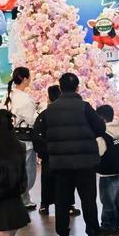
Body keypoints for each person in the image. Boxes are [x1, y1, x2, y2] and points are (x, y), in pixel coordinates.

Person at [33, 73, 109, 236]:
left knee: (62, 200)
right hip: (85, 162)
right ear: (77, 87)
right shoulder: (84, 107)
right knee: (88, 199)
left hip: (60, 163)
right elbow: (100, 127)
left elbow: (41, 134)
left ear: (60, 88)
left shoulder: (50, 110)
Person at [32, 86, 80, 217]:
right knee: (68, 180)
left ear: (48, 98)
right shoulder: (68, 113)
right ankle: (69, 206)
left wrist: (43, 151)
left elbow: (37, 135)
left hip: (49, 155)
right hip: (66, 154)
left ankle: (45, 206)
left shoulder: (44, 115)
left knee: (47, 180)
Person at [2, 67, 38, 210]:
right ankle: (21, 199)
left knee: (15, 170)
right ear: (24, 79)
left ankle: (24, 199)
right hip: (25, 139)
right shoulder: (24, 99)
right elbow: (32, 120)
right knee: (27, 172)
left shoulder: (8, 95)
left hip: (10, 137)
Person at [96, 105, 119, 235]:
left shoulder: (102, 135)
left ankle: (108, 225)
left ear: (101, 119)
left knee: (108, 200)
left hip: (107, 172)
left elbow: (99, 152)